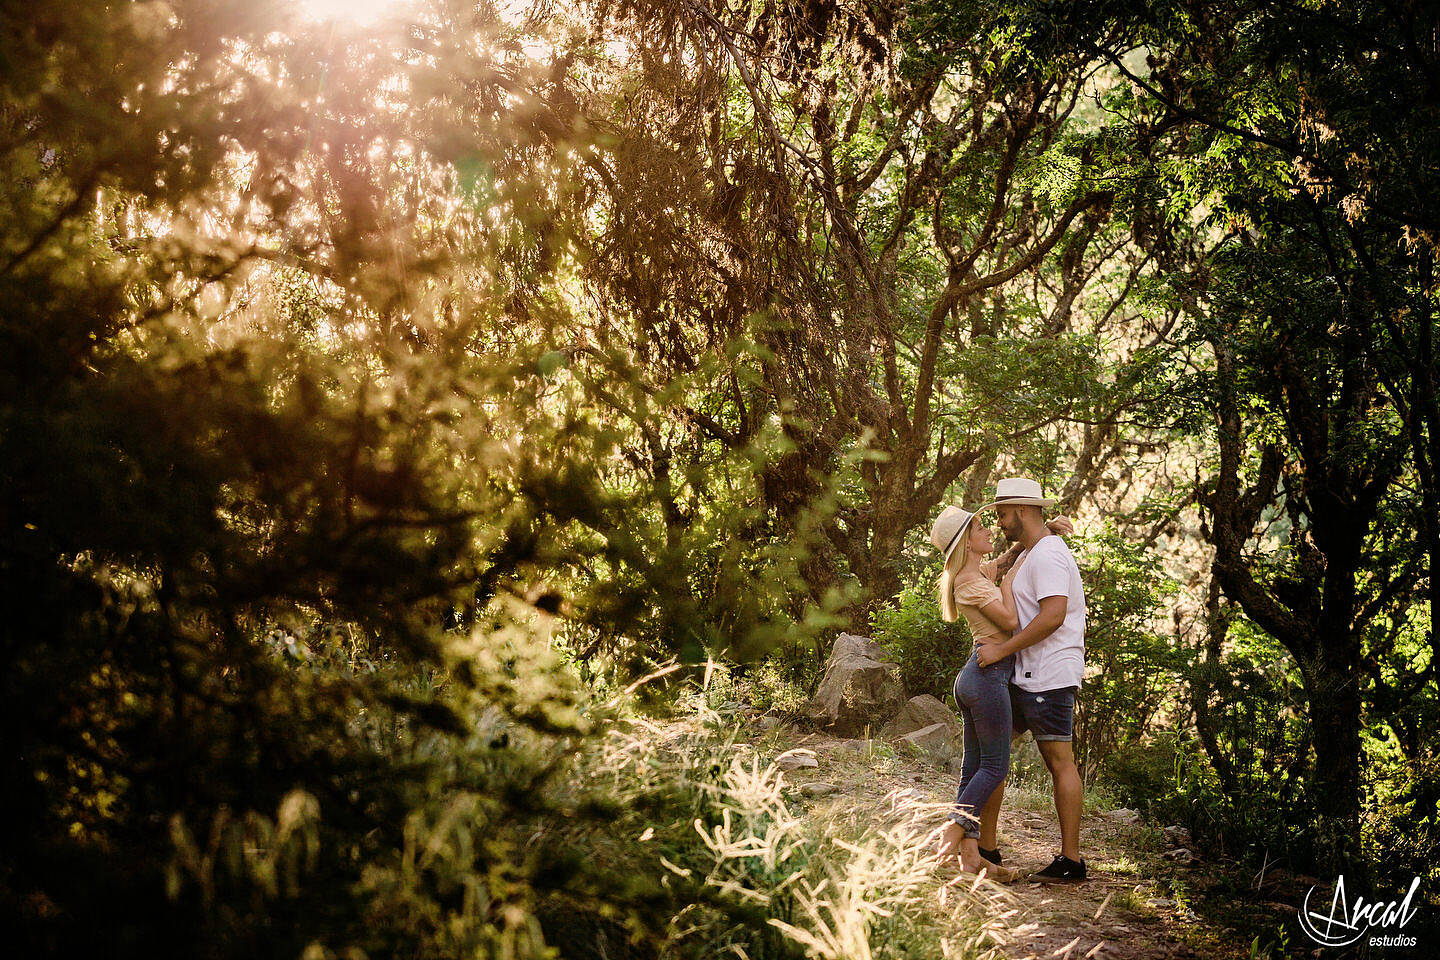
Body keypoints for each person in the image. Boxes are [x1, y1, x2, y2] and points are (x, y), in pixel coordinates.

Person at [929, 498, 1072, 881]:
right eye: (980, 528)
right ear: (966, 543)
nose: (989, 529)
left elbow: (1008, 560)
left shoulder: (977, 573)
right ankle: (954, 826)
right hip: (987, 679)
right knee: (995, 766)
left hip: (977, 677)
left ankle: (971, 857)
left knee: (973, 768)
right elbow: (1010, 619)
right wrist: (1009, 584)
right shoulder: (972, 583)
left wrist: (1042, 534)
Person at [976, 476, 1088, 883]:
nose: (1001, 522)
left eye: (1004, 514)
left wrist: (1002, 651)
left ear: (1022, 510)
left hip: (1048, 675)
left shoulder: (1049, 556)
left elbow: (1053, 615)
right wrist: (1037, 535)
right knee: (992, 755)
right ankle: (986, 848)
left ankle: (1071, 862)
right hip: (1024, 673)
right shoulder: (1034, 549)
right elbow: (1016, 556)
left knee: (1059, 763)